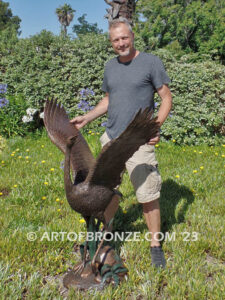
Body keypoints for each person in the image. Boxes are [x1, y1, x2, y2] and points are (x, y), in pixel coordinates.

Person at [70, 18, 172, 268]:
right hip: (111, 138)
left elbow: (166, 98)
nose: (121, 43)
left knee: (147, 194)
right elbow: (108, 100)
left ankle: (155, 246)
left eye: (124, 37)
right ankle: (106, 235)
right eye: (116, 40)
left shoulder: (150, 62)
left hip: (138, 141)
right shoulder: (110, 67)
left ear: (132, 36)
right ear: (111, 42)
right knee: (103, 191)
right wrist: (88, 117)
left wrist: (154, 127)